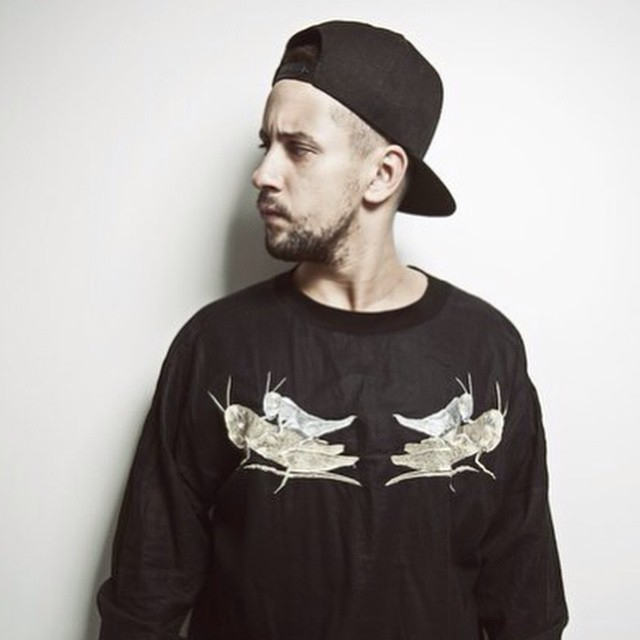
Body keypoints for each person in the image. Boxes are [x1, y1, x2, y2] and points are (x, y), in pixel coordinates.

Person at [97, 20, 568, 640]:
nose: (264, 174)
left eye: (298, 148)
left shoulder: (485, 349)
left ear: (382, 174)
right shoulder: (216, 346)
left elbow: (525, 601)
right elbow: (145, 595)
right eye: (265, 145)